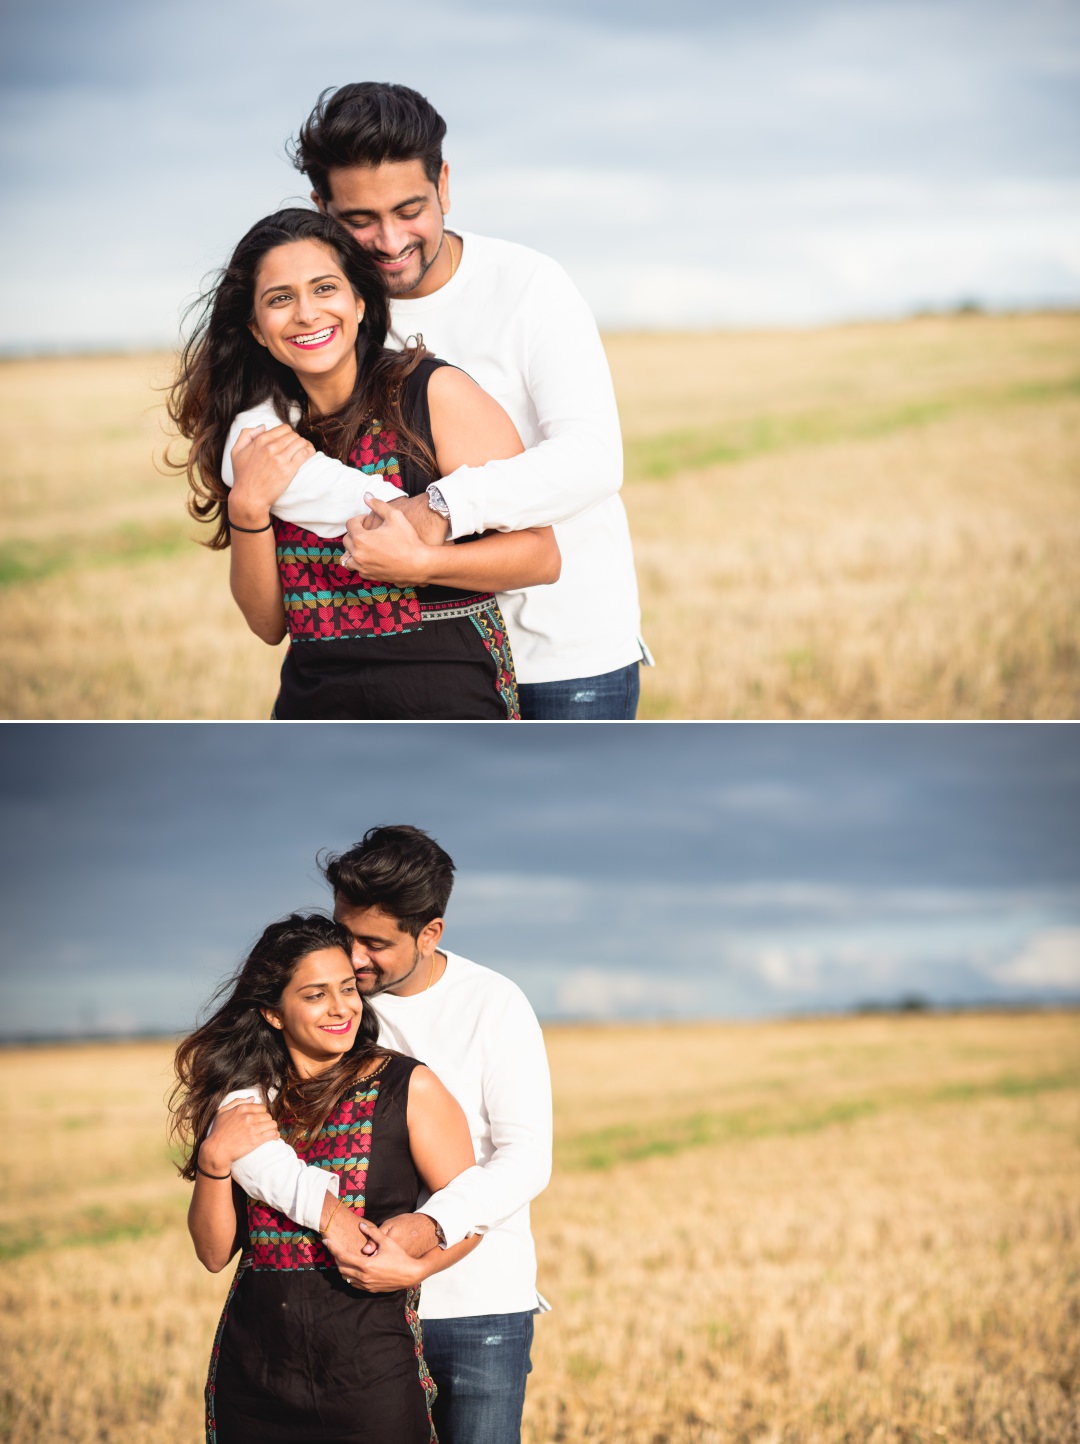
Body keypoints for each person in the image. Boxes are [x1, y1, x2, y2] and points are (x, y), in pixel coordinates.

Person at [249, 81, 649, 720]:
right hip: (423, 661)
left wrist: (440, 507)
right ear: (321, 208)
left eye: (410, 210)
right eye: (358, 220)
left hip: (560, 652)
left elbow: (594, 459)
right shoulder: (324, 320)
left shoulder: (529, 286)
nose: (387, 240)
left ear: (444, 184)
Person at [218, 827, 552, 1444]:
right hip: (357, 1318)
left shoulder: (495, 1004)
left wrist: (430, 1227)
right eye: (347, 935)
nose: (356, 959)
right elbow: (245, 1122)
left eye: (376, 944)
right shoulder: (331, 1000)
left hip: (474, 1309)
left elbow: (528, 1158)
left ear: (431, 934)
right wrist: (334, 1220)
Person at [168, 207, 561, 719]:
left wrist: (426, 564)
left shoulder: (435, 394)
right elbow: (269, 626)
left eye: (324, 288)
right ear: (258, 329)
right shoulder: (261, 438)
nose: (306, 313)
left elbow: (541, 556)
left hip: (450, 699)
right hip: (315, 709)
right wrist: (247, 506)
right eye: (280, 299)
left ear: (358, 302)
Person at [169, 911, 482, 1443]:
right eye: (315, 995)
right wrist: (215, 1163)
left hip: (372, 1377)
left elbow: (472, 1212)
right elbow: (214, 1253)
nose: (341, 1008)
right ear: (272, 1012)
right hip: (254, 1379)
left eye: (347, 989)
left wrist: (412, 1271)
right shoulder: (246, 1106)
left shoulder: (408, 1086)